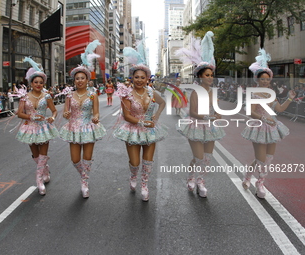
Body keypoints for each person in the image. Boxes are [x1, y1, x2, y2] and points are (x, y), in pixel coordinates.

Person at [113, 46, 168, 201]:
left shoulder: (151, 92)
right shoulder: (127, 94)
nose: (139, 80)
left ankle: (144, 185)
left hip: (150, 131)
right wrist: (143, 122)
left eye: (142, 77)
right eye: (136, 77)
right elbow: (126, 116)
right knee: (135, 162)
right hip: (133, 130)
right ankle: (133, 175)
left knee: (148, 161)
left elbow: (162, 103)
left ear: (147, 78)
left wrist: (155, 118)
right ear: (132, 78)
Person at [241, 49, 296, 199]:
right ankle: (248, 178)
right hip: (258, 127)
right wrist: (265, 119)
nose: (265, 81)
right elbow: (251, 112)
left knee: (268, 159)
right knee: (260, 159)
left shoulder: (272, 93)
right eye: (262, 79)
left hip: (272, 128)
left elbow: (279, 109)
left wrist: (290, 99)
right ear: (257, 80)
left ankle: (260, 183)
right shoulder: (253, 93)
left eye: (267, 79)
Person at [176, 31, 225, 198]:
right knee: (198, 157)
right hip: (196, 126)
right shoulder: (196, 92)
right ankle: (191, 177)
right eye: (207, 75)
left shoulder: (214, 92)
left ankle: (201, 182)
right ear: (200, 76)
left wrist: (218, 115)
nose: (210, 78)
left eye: (212, 75)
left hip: (210, 127)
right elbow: (193, 112)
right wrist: (207, 117)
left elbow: (217, 109)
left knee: (207, 158)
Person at [59, 39, 105, 198]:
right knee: (74, 159)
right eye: (77, 79)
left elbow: (96, 112)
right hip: (73, 128)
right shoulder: (69, 96)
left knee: (87, 158)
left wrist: (96, 118)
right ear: (74, 81)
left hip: (88, 127)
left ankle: (84, 182)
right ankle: (83, 175)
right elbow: (66, 112)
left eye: (82, 78)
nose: (79, 81)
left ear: (87, 80)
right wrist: (66, 115)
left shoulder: (93, 95)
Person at [16, 57, 59, 195]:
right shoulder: (24, 97)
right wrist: (30, 116)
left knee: (43, 154)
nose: (39, 84)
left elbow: (54, 110)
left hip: (44, 128)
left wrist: (52, 117)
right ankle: (45, 169)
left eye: (41, 82)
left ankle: (39, 181)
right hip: (30, 128)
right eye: (36, 82)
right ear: (31, 83)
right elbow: (19, 113)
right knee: (36, 156)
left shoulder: (47, 96)